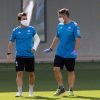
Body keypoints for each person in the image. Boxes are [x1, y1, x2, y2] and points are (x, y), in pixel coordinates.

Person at [44, 8, 81, 96]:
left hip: (70, 54)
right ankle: (61, 87)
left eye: (60, 16)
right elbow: (57, 37)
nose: (59, 18)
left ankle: (71, 90)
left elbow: (78, 39)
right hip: (60, 53)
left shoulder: (74, 25)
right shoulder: (59, 25)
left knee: (70, 71)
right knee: (55, 69)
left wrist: (75, 51)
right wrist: (51, 48)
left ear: (65, 15)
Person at [7, 12, 40, 97]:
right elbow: (11, 42)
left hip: (30, 56)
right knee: (19, 73)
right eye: (23, 19)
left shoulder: (32, 29)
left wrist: (34, 48)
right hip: (19, 56)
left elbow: (37, 39)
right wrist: (9, 53)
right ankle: (19, 92)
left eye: (26, 18)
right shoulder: (15, 30)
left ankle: (31, 92)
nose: (25, 20)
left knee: (31, 74)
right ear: (19, 20)